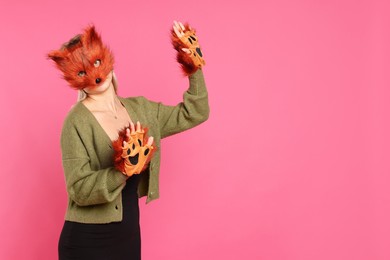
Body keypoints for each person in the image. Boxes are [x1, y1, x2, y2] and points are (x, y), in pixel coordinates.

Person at [47, 21, 209, 260]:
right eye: (82, 72)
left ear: (107, 58)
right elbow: (79, 189)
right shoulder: (76, 121)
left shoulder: (142, 110)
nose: (96, 76)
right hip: (86, 242)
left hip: (128, 237)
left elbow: (194, 113)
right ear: (74, 78)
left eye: (97, 62)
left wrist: (193, 67)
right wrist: (123, 169)